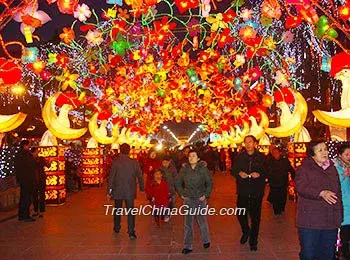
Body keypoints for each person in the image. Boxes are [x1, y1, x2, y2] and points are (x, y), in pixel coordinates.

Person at [295, 140, 343, 260]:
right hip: (310, 221)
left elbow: (338, 193)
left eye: (325, 149)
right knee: (308, 254)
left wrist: (339, 216)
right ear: (312, 154)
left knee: (327, 254)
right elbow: (301, 187)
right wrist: (320, 193)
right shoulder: (304, 168)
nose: (324, 153)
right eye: (320, 150)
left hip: (330, 220)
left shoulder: (332, 168)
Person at [231, 135, 266, 251]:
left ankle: (253, 240)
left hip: (257, 191)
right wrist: (239, 173)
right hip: (243, 191)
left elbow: (268, 171)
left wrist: (260, 174)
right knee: (241, 214)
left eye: (250, 142)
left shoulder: (262, 157)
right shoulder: (239, 157)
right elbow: (233, 170)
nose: (248, 144)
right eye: (246, 142)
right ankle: (246, 231)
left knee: (255, 217)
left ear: (255, 143)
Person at [175, 150, 213, 255]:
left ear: (198, 158)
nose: (191, 158)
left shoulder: (203, 169)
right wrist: (182, 193)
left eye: (193, 156)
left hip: (200, 199)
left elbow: (209, 183)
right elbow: (178, 182)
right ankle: (187, 246)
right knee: (188, 223)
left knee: (202, 221)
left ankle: (206, 240)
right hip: (188, 199)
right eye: (189, 156)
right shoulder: (184, 169)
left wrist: (205, 194)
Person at [107, 143, 144, 240]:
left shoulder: (116, 162)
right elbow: (140, 175)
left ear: (120, 150)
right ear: (129, 151)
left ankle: (117, 227)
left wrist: (109, 190)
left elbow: (111, 177)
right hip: (130, 190)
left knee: (117, 209)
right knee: (130, 211)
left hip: (117, 190)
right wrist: (142, 187)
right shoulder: (134, 162)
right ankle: (131, 231)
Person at [267, 147, 295, 216]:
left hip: (283, 182)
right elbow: (266, 171)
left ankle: (282, 208)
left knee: (283, 196)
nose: (275, 154)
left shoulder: (285, 161)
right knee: (275, 197)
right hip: (273, 183)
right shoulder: (269, 161)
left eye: (276, 153)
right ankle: (276, 211)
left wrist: (294, 177)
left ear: (280, 153)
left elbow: (291, 169)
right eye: (274, 153)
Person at [334, 143, 350, 259]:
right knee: (344, 235)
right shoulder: (335, 168)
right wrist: (344, 175)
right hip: (343, 206)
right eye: (347, 154)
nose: (349, 157)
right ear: (340, 155)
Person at [14, 140, 37, 222]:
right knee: (26, 198)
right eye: (28, 145)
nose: (29, 147)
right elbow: (32, 165)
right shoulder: (25, 155)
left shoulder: (19, 155)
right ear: (25, 146)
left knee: (24, 197)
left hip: (23, 180)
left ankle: (22, 215)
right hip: (27, 180)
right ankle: (25, 216)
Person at [159, 156, 177, 222]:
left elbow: (176, 179)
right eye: (163, 162)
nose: (165, 164)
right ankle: (165, 214)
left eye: (166, 162)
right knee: (164, 203)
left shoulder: (173, 169)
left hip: (171, 189)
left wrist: (176, 188)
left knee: (172, 203)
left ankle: (168, 213)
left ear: (169, 162)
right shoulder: (160, 169)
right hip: (163, 190)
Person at [31, 147, 48, 218]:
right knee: (35, 196)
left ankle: (41, 211)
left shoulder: (41, 159)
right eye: (36, 151)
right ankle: (36, 211)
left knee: (41, 196)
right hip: (34, 180)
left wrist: (48, 162)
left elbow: (48, 165)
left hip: (40, 179)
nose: (37, 153)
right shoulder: (30, 159)